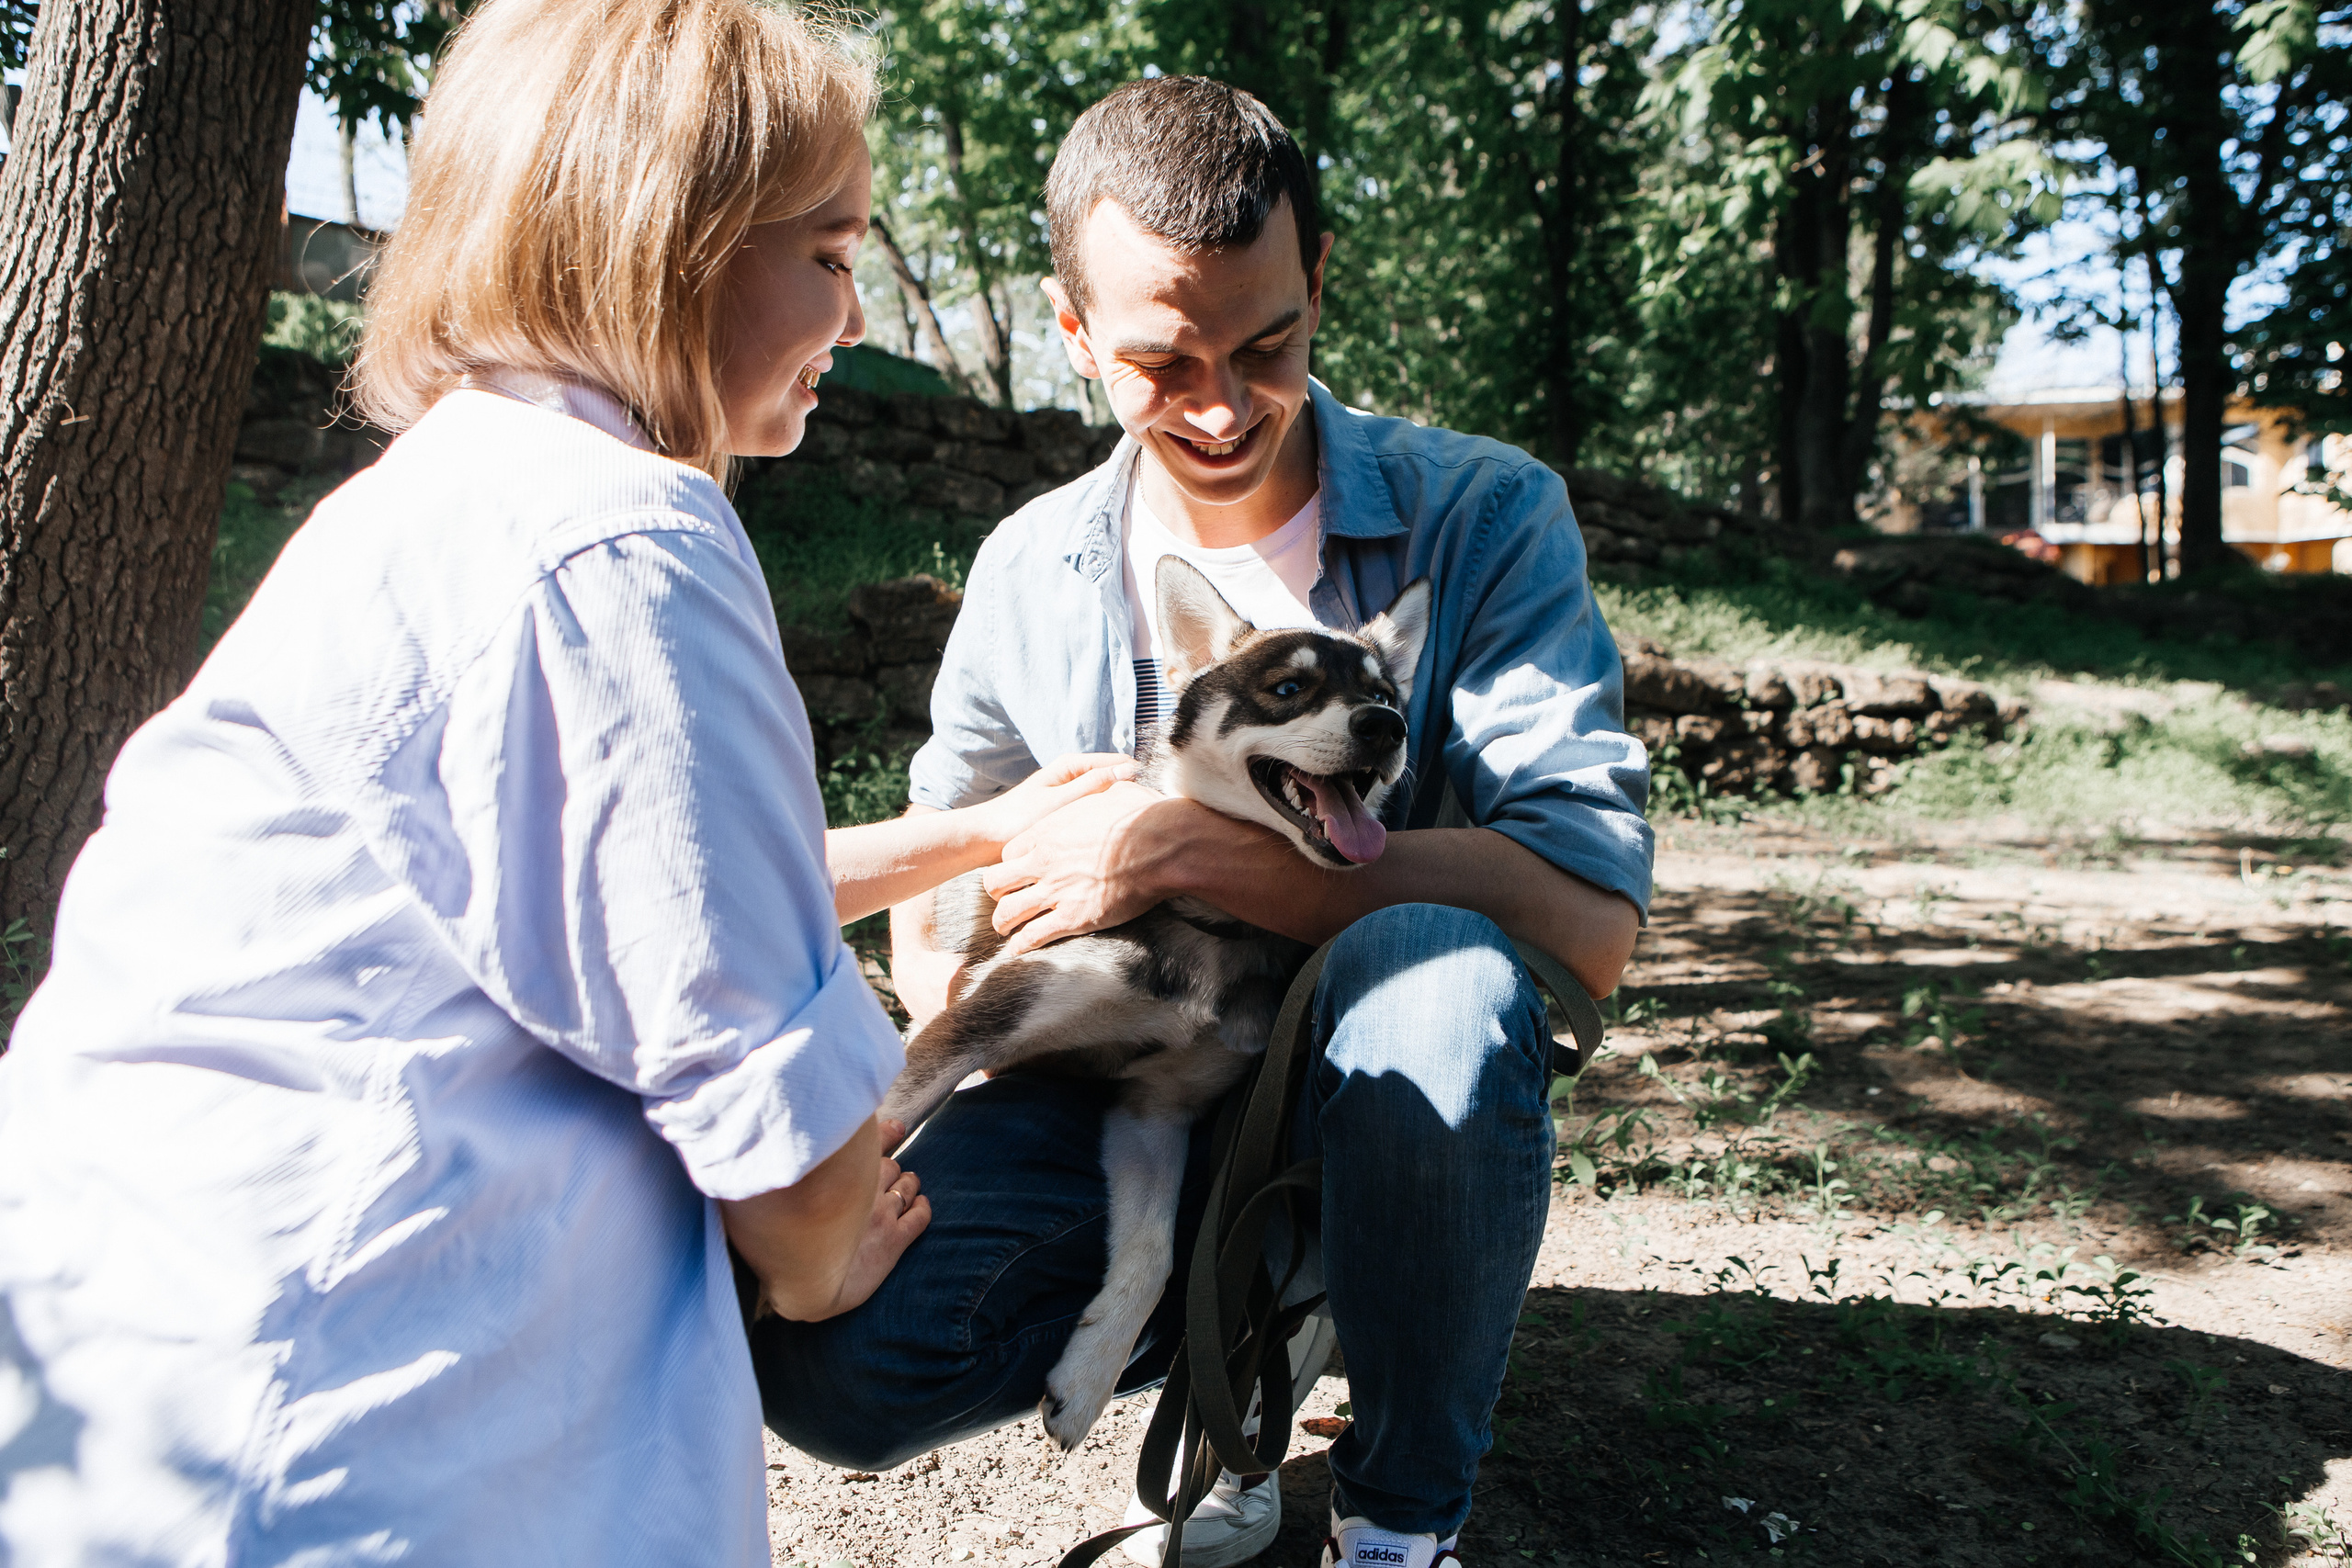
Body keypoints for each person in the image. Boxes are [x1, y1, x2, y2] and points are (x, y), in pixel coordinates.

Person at [0, 3, 1131, 1562]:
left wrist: (988, 832)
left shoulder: (463, 498)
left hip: (136, 1402)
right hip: (365, 1447)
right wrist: (825, 1239)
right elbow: (795, 1176)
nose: (854, 313)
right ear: (669, 243)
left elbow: (614, 896)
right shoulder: (625, 541)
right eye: (827, 250)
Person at [753, 77, 1654, 1568]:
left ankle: (1399, 1512)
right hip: (1113, 1074)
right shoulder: (1033, 565)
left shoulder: (1482, 517)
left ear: (1318, 283)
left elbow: (1585, 919)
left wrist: (1185, 849)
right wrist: (988, 1025)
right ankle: (1241, 1332)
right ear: (1073, 336)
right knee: (844, 1372)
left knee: (1443, 975)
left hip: (1364, 1078)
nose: (1223, 407)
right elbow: (951, 847)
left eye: (1268, 345)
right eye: (1162, 363)